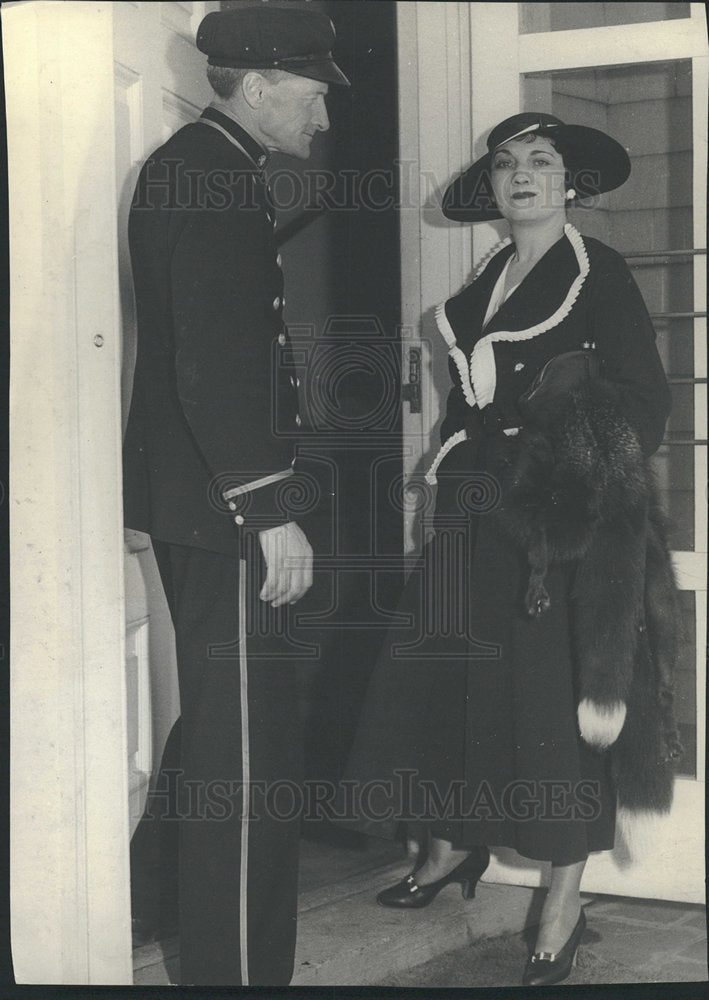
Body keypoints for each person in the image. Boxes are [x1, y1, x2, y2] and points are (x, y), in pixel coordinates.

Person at [342, 113, 679, 987]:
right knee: (445, 682)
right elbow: (467, 410)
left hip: (556, 530)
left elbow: (644, 401)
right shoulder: (485, 279)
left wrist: (562, 478)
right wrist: (442, 483)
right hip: (470, 512)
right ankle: (451, 846)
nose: (520, 174)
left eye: (539, 161)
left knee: (545, 712)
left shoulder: (594, 272)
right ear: (490, 190)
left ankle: (562, 904)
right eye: (504, 164)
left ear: (570, 185)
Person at [122, 6, 349, 986]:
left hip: (207, 504)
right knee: (242, 763)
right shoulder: (207, 172)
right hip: (224, 511)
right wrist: (269, 510)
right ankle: (238, 977)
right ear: (257, 83)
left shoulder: (213, 165)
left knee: (239, 750)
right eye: (314, 92)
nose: (325, 116)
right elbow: (210, 364)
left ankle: (244, 969)